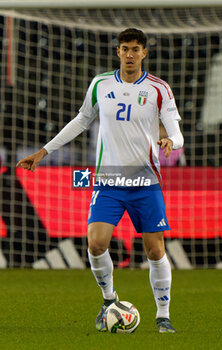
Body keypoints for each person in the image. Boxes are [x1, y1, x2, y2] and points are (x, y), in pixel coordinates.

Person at [16, 28, 184, 333]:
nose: (130, 54)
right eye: (125, 49)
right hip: (107, 179)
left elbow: (176, 132)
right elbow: (81, 120)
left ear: (144, 53)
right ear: (117, 51)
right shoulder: (100, 84)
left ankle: (163, 315)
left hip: (145, 181)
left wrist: (172, 141)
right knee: (95, 243)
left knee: (155, 251)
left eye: (136, 49)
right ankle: (109, 300)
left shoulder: (160, 88)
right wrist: (43, 152)